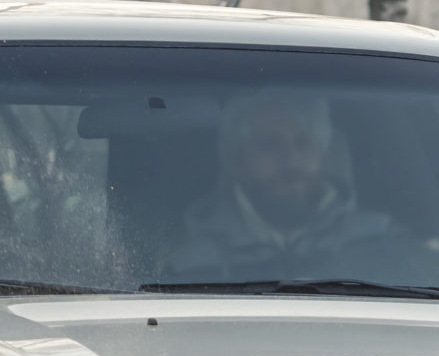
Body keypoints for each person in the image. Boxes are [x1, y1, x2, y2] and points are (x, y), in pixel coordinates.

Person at [161, 91, 408, 284]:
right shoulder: (185, 256)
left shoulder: (382, 240)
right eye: (270, 145)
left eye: (303, 144)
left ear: (322, 153)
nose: (291, 161)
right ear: (236, 160)